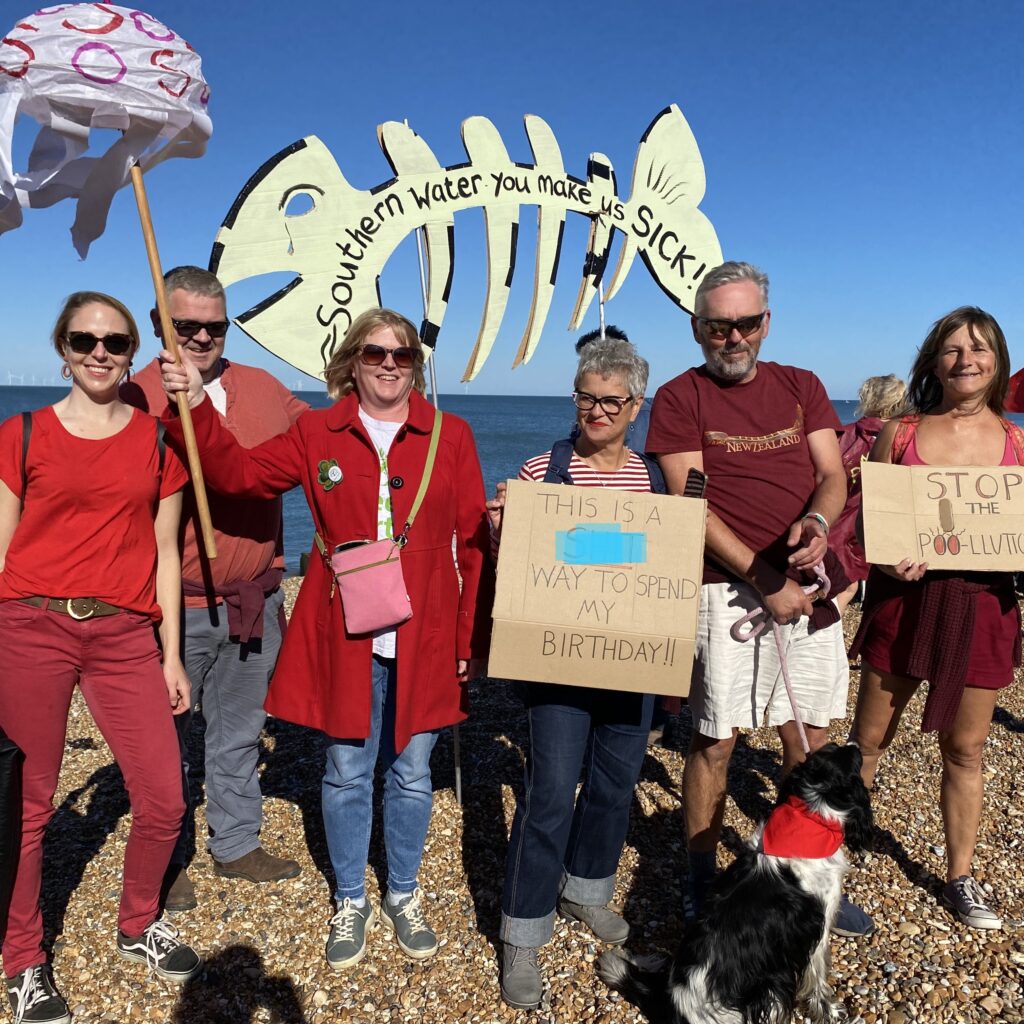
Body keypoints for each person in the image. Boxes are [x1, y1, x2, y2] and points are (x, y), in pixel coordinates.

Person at [158, 308, 493, 969]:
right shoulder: (316, 430)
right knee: (344, 770)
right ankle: (349, 898)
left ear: (415, 366)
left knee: (414, 771)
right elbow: (241, 476)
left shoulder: (450, 435)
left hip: (424, 630)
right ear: (352, 362)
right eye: (375, 354)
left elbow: (474, 544)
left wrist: (470, 635)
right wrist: (194, 407)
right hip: (345, 627)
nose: (389, 364)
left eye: (401, 355)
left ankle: (402, 892)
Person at [645, 261, 872, 936]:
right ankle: (700, 879)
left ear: (765, 323)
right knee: (715, 741)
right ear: (698, 329)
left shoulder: (802, 386)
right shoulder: (679, 395)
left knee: (807, 739)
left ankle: (798, 875)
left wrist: (818, 525)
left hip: (807, 587)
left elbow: (832, 475)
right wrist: (762, 579)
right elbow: (694, 503)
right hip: (726, 593)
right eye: (718, 325)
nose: (733, 337)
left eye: (745, 323)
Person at [0, 292, 200, 1024]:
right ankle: (22, 958)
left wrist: (171, 655)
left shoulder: (155, 443)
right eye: (85, 339)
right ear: (62, 345)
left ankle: (138, 920)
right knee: (28, 803)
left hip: (123, 636)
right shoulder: (21, 434)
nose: (100, 352)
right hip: (31, 626)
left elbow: (166, 558)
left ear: (130, 352)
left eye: (115, 342)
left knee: (165, 797)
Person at [122, 266, 309, 912]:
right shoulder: (135, 394)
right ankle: (165, 858)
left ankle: (234, 844)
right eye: (187, 326)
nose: (202, 337)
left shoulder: (263, 388)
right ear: (158, 325)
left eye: (215, 326)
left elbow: (318, 449)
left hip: (253, 599)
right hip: (169, 606)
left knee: (237, 732)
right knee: (163, 741)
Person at [487, 337, 661, 1010]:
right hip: (556, 660)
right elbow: (521, 571)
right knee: (551, 792)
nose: (596, 411)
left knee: (616, 784)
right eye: (586, 397)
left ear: (634, 405)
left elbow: (659, 565)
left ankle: (586, 889)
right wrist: (505, 530)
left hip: (629, 655)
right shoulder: (540, 470)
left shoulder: (653, 480)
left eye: (610, 401)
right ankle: (522, 931)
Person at [848, 306, 1020, 932]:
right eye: (952, 349)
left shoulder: (1020, 442)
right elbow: (869, 526)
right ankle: (836, 856)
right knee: (868, 741)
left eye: (979, 349)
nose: (966, 360)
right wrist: (887, 563)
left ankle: (961, 875)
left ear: (997, 360)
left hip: (984, 608)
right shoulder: (900, 433)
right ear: (934, 361)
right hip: (906, 604)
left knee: (967, 749)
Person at [831, 374, 907, 612]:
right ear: (898, 404)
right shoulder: (901, 442)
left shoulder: (840, 436)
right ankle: (826, 632)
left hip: (833, 524)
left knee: (835, 586)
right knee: (849, 587)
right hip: (872, 530)